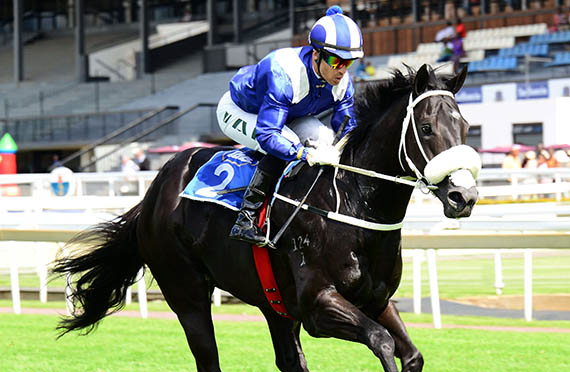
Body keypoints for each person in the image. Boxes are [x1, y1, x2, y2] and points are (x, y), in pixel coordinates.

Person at [216, 5, 363, 246]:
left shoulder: (343, 82)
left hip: (289, 115)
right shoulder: (283, 73)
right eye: (336, 61)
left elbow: (346, 130)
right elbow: (268, 134)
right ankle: (246, 219)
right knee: (288, 143)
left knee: (325, 140)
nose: (342, 69)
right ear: (316, 55)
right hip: (239, 111)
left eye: (349, 62)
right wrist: (303, 153)